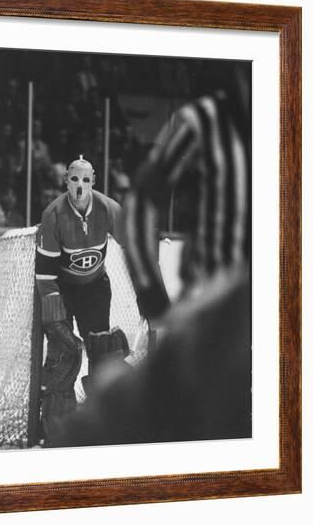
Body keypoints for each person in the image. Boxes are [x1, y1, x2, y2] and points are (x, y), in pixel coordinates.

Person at [58, 63, 252, 447]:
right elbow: (142, 205)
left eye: (85, 179)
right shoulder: (204, 122)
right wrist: (155, 302)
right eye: (74, 179)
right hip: (215, 311)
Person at [35, 155, 129, 446]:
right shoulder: (53, 216)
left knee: (102, 350)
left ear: (94, 182)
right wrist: (54, 315)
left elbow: (135, 244)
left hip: (95, 288)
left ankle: (103, 420)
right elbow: (45, 275)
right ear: (65, 180)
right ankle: (57, 429)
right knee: (63, 354)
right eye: (74, 178)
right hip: (63, 288)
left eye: (85, 180)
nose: (79, 185)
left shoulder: (108, 208)